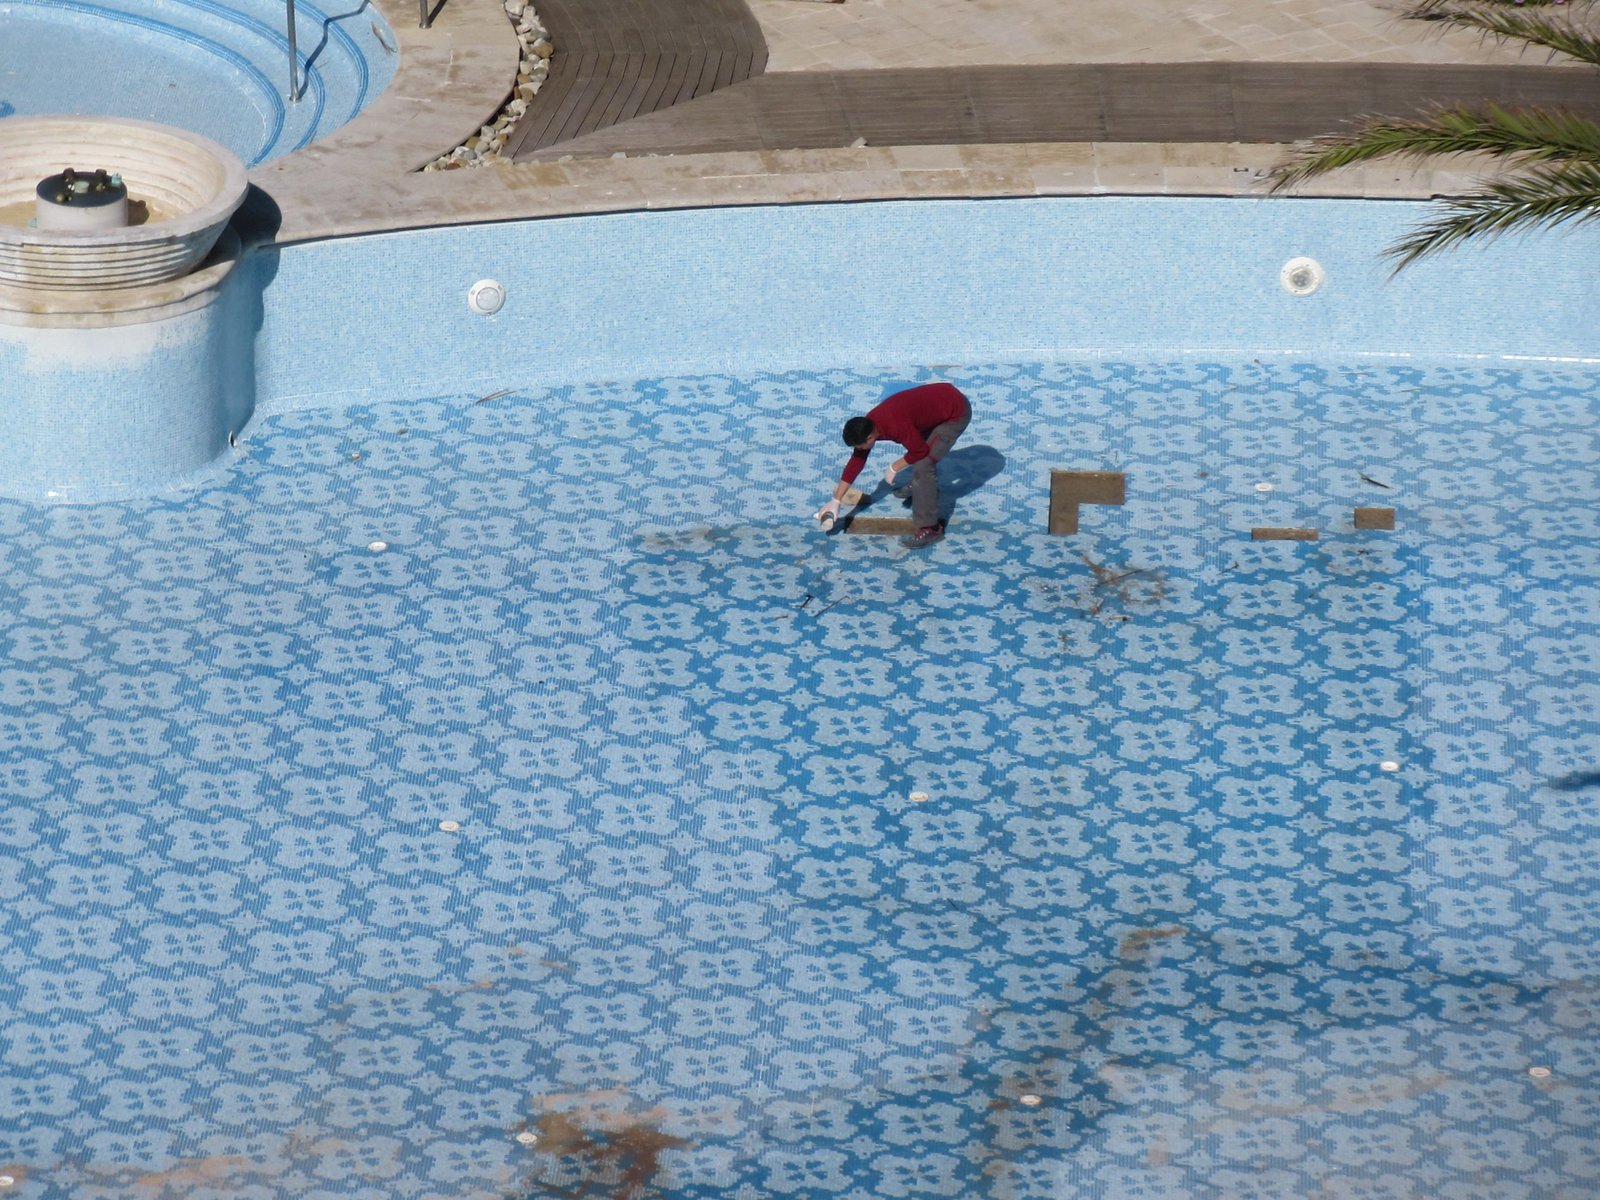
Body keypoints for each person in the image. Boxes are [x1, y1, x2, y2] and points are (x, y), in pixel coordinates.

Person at [818, 381, 971, 548]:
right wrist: (836, 500)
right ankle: (921, 487)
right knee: (919, 454)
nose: (858, 450)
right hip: (937, 405)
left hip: (956, 413)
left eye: (859, 446)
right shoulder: (869, 424)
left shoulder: (896, 425)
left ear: (870, 437)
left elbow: (919, 451)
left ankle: (930, 528)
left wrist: (894, 467)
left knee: (923, 465)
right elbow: (856, 461)